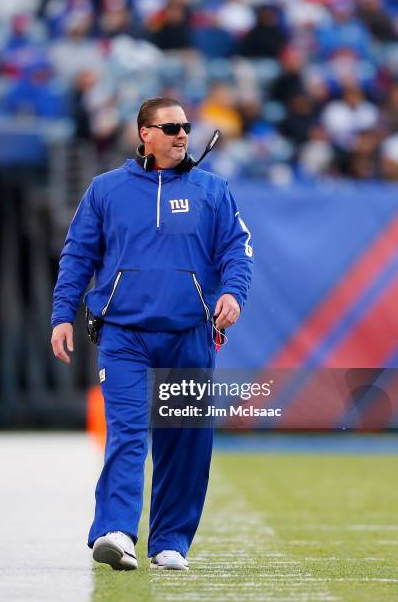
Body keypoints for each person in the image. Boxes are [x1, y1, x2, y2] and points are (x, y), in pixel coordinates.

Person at [50, 97, 253, 571]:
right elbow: (78, 256)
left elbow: (237, 251)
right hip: (125, 334)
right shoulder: (106, 190)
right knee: (126, 432)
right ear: (145, 133)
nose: (183, 134)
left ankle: (170, 542)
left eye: (186, 126)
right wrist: (62, 314)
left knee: (185, 442)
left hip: (189, 333)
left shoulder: (213, 190)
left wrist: (234, 295)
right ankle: (116, 531)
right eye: (171, 127)